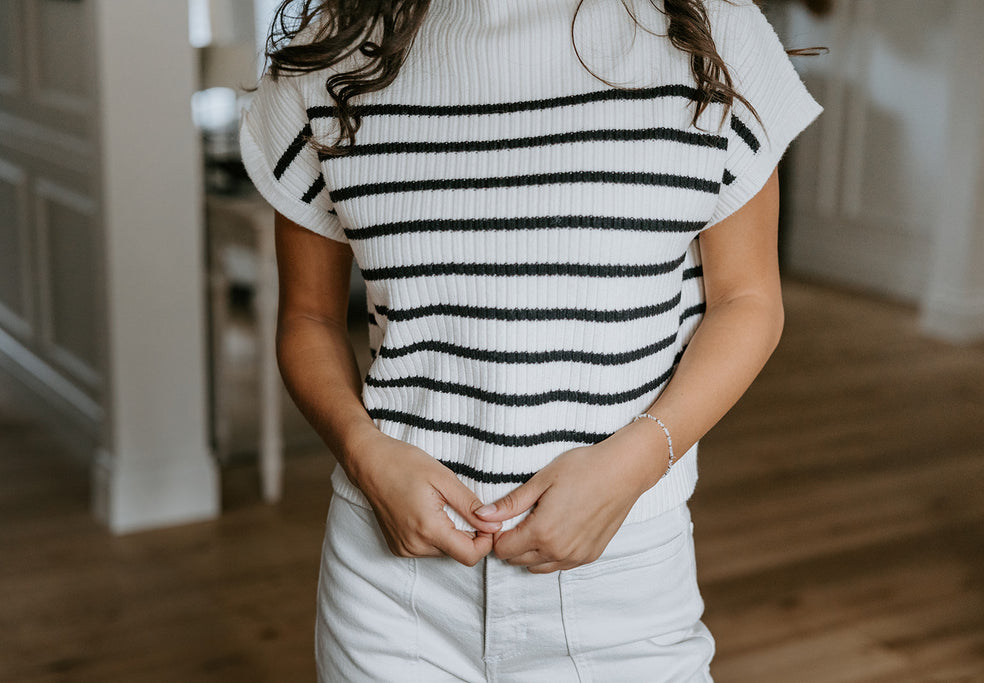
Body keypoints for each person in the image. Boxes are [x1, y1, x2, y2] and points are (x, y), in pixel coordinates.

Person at [240, 0, 821, 679]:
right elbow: (308, 318)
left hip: (620, 577)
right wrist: (365, 454)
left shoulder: (712, 30)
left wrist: (634, 463)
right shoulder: (331, 50)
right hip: (390, 587)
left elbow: (747, 301)